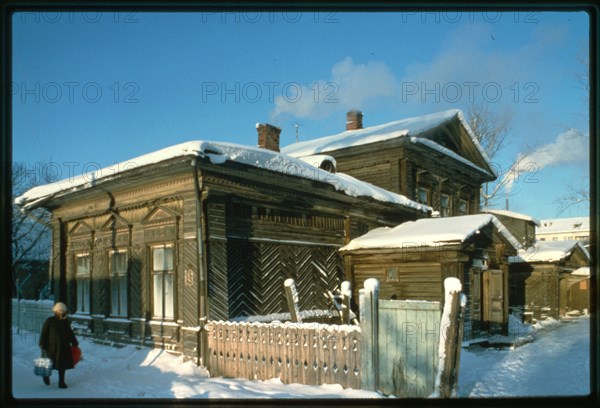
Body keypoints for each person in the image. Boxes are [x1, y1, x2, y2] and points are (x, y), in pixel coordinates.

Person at [39, 302, 79, 388]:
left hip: (63, 347)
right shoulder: (49, 321)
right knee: (49, 363)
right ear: (56, 311)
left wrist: (75, 342)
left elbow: (70, 333)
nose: (62, 312)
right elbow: (44, 334)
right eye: (60, 311)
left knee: (62, 365)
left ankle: (61, 382)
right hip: (51, 347)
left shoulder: (65, 321)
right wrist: (42, 344)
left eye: (63, 311)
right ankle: (46, 376)